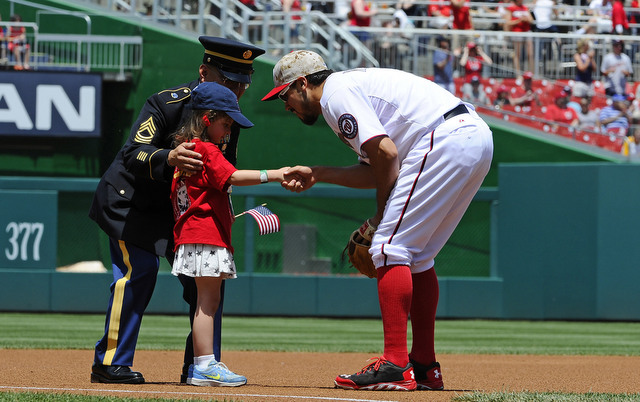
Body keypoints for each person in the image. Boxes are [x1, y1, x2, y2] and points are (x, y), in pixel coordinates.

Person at [262, 50, 493, 391]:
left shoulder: (335, 95)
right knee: (417, 256)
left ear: (301, 84)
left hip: (444, 139)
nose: (285, 105)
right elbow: (377, 168)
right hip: (471, 138)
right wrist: (319, 173)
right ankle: (424, 366)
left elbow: (387, 154)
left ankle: (395, 364)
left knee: (388, 247)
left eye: (284, 96)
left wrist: (380, 217)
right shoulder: (346, 88)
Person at [88, 36, 265, 385]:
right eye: (228, 81)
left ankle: (202, 365)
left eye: (242, 83)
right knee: (139, 270)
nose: (236, 90)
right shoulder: (167, 103)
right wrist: (167, 157)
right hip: (132, 204)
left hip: (179, 211)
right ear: (203, 72)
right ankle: (110, 363)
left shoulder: (227, 116)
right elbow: (132, 153)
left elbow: (221, 173)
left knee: (207, 280)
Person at [171, 81, 290, 386]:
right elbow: (233, 176)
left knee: (203, 302)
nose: (228, 131)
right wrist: (273, 175)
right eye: (225, 123)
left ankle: (201, 365)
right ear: (207, 118)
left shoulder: (185, 148)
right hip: (206, 235)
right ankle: (204, 366)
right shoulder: (206, 149)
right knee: (208, 304)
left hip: (193, 234)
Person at [503, 0, 534, 78]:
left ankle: (531, 73)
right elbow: (508, 22)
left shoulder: (525, 8)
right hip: (517, 32)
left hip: (526, 31)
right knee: (517, 54)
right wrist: (519, 20)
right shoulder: (510, 8)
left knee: (530, 54)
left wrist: (526, 19)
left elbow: (531, 20)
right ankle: (518, 74)